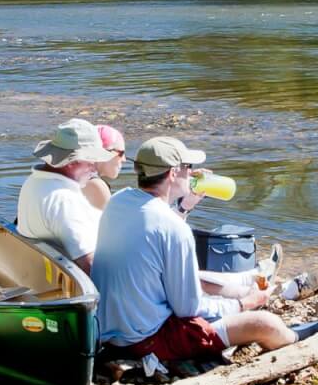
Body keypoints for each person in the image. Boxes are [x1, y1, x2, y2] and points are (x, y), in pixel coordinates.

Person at [93, 136, 302, 362]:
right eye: (188, 168)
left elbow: (156, 230)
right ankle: (305, 335)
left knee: (196, 281)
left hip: (108, 333)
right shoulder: (173, 229)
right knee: (265, 324)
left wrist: (185, 204)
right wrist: (244, 305)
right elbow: (188, 310)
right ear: (173, 173)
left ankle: (254, 282)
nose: (192, 173)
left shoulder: (118, 201)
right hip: (146, 342)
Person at [15, 118, 107, 273]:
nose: (94, 169)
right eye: (91, 161)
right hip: (72, 283)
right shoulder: (64, 199)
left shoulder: (34, 181)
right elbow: (89, 264)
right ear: (71, 161)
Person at [82, 124, 127, 210]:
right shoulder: (96, 185)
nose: (124, 160)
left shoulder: (78, 176)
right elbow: (110, 223)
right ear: (105, 152)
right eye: (121, 153)